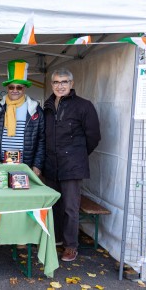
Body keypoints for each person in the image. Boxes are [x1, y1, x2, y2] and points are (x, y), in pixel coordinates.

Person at [43, 68, 101, 262]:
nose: (60, 85)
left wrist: (78, 155)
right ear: (52, 85)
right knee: (54, 205)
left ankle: (71, 246)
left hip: (73, 165)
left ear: (71, 84)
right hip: (51, 164)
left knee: (70, 207)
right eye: (57, 82)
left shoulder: (84, 106)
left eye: (64, 82)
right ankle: (57, 238)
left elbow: (94, 136)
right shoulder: (48, 105)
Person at [0, 59, 45, 176]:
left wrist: (37, 165)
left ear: (24, 88)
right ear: (7, 88)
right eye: (11, 87)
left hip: (25, 165)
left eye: (19, 87)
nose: (15, 90)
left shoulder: (35, 109)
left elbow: (42, 140)